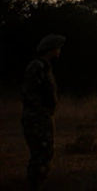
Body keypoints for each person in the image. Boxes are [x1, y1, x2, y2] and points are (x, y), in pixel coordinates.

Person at [21, 34, 64, 189]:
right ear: (51, 49)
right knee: (40, 153)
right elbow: (30, 94)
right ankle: (35, 183)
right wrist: (42, 111)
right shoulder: (37, 67)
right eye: (57, 47)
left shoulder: (44, 66)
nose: (59, 50)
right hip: (37, 117)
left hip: (43, 115)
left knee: (46, 151)